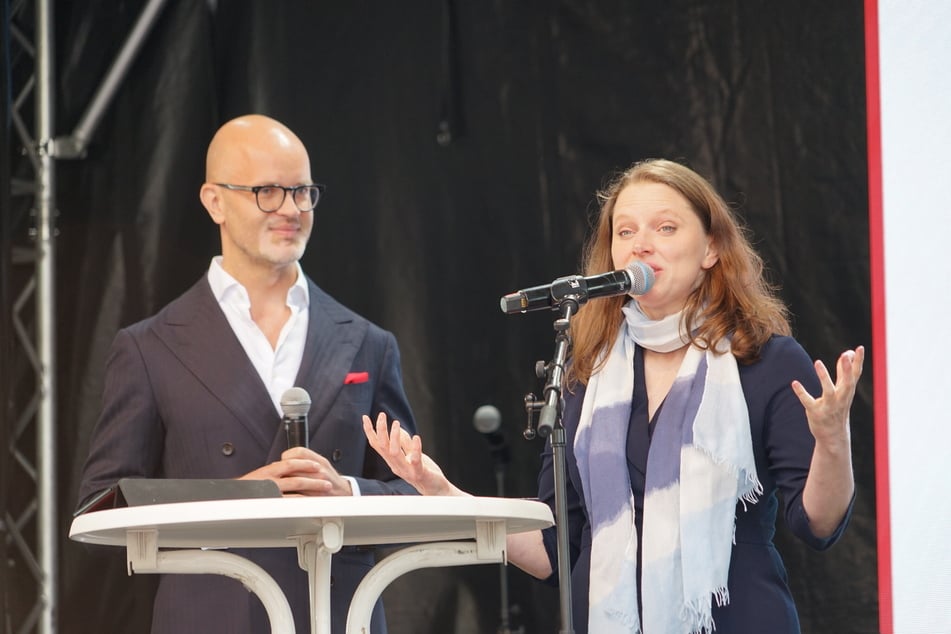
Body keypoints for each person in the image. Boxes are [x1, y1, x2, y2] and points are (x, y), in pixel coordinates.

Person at [363, 158, 863, 634]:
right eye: (625, 232)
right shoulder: (589, 371)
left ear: (711, 248)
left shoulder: (766, 361)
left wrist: (832, 440)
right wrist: (444, 493)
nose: (641, 245)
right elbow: (554, 547)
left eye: (665, 228)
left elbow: (818, 522)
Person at [77, 114, 418, 634]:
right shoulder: (150, 347)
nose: (290, 209)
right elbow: (102, 504)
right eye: (267, 191)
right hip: (211, 614)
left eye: (302, 192)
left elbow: (417, 491)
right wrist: (239, 494)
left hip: (338, 612)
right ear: (214, 201)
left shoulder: (369, 343)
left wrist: (347, 490)